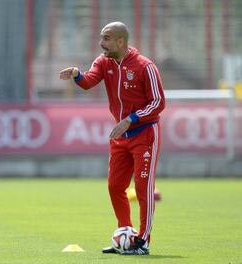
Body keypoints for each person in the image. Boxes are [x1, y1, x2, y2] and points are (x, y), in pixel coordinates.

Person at [59, 21, 165, 255]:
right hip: (120, 136)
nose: (101, 43)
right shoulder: (103, 61)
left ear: (121, 41)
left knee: (143, 187)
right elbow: (88, 82)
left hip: (144, 133)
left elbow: (158, 103)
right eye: (101, 37)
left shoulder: (145, 66)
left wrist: (131, 119)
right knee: (115, 186)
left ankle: (142, 241)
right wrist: (77, 75)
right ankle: (125, 236)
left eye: (106, 38)